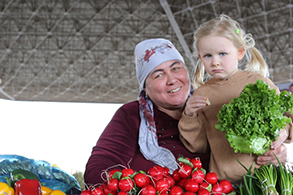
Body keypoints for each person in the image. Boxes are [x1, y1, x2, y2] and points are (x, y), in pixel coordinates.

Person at [178, 14, 293, 183]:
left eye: (222, 54)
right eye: (208, 56)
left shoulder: (259, 83)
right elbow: (199, 146)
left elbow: (291, 115)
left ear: (240, 52)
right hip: (225, 185)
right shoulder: (201, 95)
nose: (215, 62)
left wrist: (284, 132)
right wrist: (189, 115)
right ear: (200, 57)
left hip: (266, 176)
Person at [84, 39, 209, 185]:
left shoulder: (209, 108)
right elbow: (98, 170)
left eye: (176, 68)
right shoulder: (131, 115)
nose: (172, 80)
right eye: (159, 75)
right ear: (145, 90)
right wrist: (139, 193)